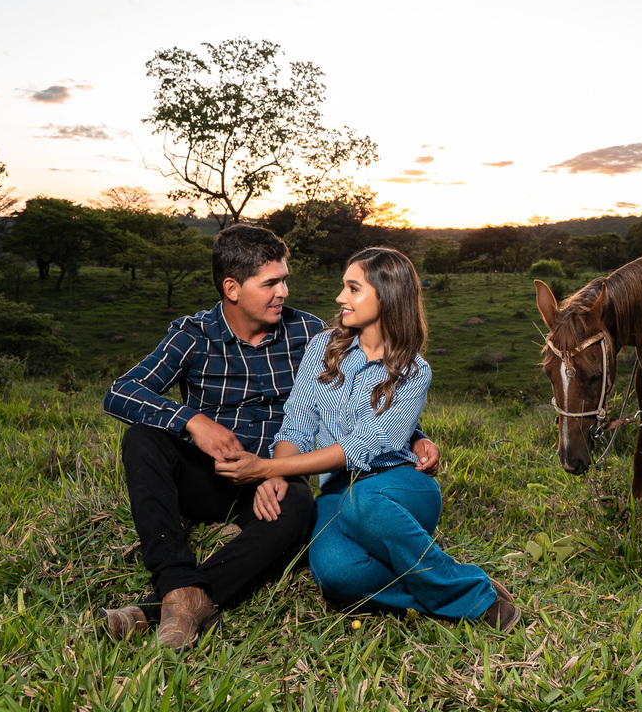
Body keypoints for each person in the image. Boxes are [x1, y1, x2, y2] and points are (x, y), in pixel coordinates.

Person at [100, 225, 440, 650]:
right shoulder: (194, 335)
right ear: (232, 288)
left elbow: (357, 396)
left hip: (276, 478)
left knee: (299, 509)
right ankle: (177, 582)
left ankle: (162, 609)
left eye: (285, 279)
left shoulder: (307, 334)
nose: (283, 292)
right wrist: (193, 421)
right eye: (270, 283)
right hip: (210, 474)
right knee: (141, 440)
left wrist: (413, 434)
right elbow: (120, 392)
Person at [222, 247, 520, 631]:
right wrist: (276, 474)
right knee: (336, 574)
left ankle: (474, 596)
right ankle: (439, 582)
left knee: (363, 500)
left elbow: (361, 447)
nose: (340, 298)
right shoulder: (322, 347)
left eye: (353, 288)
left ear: (386, 295)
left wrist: (265, 466)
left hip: (398, 487)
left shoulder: (415, 371)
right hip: (335, 493)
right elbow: (296, 424)